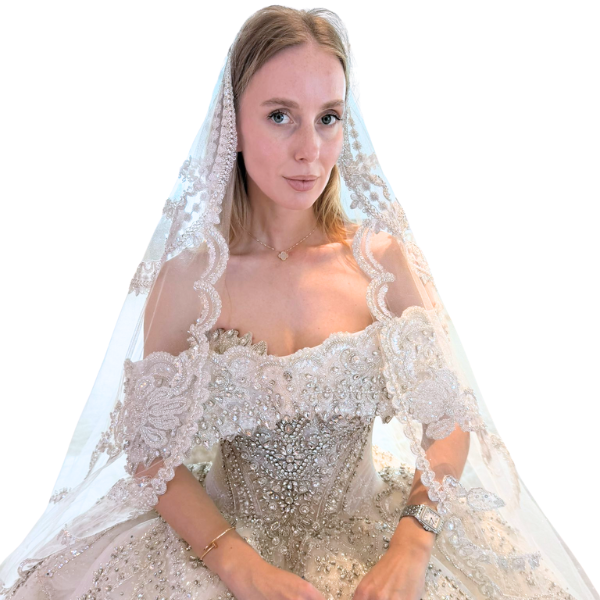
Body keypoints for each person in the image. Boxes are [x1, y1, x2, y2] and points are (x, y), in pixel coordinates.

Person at [0, 5, 597, 600]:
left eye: (328, 117)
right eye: (280, 116)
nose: (310, 149)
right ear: (233, 124)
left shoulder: (380, 264)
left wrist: (411, 546)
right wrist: (238, 565)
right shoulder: (189, 281)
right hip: (217, 546)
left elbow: (448, 423)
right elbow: (152, 456)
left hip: (375, 538)